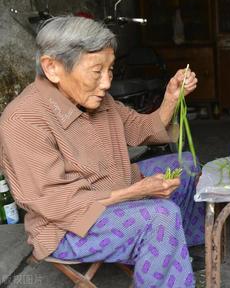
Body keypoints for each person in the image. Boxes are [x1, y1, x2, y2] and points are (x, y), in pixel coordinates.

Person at [0, 16, 205, 287]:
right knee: (161, 215)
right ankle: (166, 259)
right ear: (52, 68)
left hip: (116, 189)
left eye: (110, 70)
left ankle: (181, 252)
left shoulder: (99, 100)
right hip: (67, 226)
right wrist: (136, 192)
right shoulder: (24, 120)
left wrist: (170, 97)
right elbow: (55, 203)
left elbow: (141, 128)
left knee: (186, 165)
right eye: (97, 71)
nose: (107, 83)